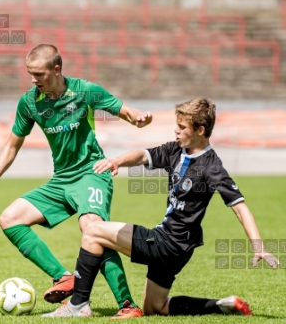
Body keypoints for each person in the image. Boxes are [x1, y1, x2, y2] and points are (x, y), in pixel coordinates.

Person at [43, 98, 279, 318]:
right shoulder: (177, 150)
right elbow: (143, 155)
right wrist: (117, 161)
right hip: (181, 248)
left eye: (182, 127)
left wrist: (258, 247)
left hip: (168, 243)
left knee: (93, 230)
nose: (176, 131)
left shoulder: (212, 167)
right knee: (155, 307)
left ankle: (78, 305)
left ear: (200, 130)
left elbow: (240, 207)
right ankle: (219, 305)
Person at [0, 44, 153, 319]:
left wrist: (140, 119)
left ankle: (127, 305)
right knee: (9, 218)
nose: (34, 80)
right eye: (30, 74)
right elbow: (12, 144)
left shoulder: (85, 91)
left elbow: (126, 112)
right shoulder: (30, 102)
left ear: (56, 69)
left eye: (39, 74)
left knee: (93, 228)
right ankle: (64, 277)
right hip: (61, 180)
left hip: (91, 173)